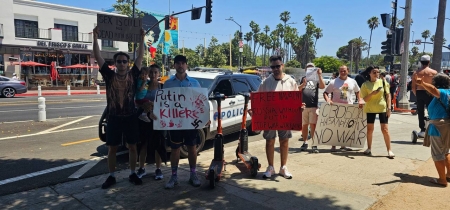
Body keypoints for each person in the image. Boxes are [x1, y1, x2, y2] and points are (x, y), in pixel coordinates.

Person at [93, 26, 145, 189]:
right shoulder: (109, 76)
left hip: (130, 117)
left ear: (128, 64)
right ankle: (111, 176)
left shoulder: (133, 74)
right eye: (119, 61)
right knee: (112, 148)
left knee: (132, 147)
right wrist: (95, 37)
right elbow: (97, 56)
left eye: (124, 61)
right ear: (114, 64)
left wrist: (142, 39)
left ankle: (132, 173)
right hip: (114, 117)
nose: (122, 64)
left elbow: (140, 57)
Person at [249, 55, 298, 179]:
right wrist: (251, 108)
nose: (275, 69)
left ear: (282, 65)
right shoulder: (266, 82)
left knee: (284, 141)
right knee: (270, 141)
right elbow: (257, 98)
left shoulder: (291, 81)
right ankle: (270, 167)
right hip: (269, 117)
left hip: (285, 117)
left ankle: (283, 167)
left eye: (277, 66)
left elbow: (296, 99)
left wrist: (300, 107)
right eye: (273, 67)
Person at [164, 55, 202, 189]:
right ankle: (174, 176)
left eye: (183, 63)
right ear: (174, 66)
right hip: (175, 122)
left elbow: (200, 103)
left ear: (186, 65)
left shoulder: (195, 83)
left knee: (192, 148)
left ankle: (193, 174)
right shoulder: (168, 84)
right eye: (178, 63)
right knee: (175, 149)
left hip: (190, 122)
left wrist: (205, 117)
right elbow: (163, 103)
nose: (180, 66)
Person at [415, 73, 450, 187]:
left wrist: (422, 83)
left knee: (437, 153)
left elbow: (435, 91)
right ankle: (448, 174)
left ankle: (442, 179)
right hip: (446, 125)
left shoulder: (443, 92)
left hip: (439, 126)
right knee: (445, 152)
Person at [323, 65, 364, 152]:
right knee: (334, 126)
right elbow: (325, 93)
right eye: (341, 71)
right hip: (336, 108)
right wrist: (328, 100)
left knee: (346, 127)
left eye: (344, 71)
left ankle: (343, 145)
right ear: (339, 71)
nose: (343, 72)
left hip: (349, 107)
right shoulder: (333, 82)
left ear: (348, 71)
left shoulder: (352, 81)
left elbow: (358, 91)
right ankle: (333, 146)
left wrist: (360, 100)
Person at [136, 64, 166, 180]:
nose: (153, 74)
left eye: (155, 72)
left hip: (157, 120)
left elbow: (166, 104)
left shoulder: (162, 88)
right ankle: (141, 168)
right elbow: (137, 100)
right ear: (148, 73)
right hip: (144, 120)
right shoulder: (143, 85)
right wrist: (144, 106)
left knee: (158, 145)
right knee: (143, 144)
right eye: (151, 72)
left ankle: (158, 169)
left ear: (159, 74)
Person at [360, 66, 395, 158]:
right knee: (370, 130)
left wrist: (389, 108)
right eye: (374, 72)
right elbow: (365, 99)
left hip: (382, 108)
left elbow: (388, 96)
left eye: (377, 72)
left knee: (385, 129)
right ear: (369, 73)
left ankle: (389, 150)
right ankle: (369, 148)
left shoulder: (383, 82)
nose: (376, 74)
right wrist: (372, 93)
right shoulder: (365, 85)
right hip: (370, 109)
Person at [298, 62, 325, 151]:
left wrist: (320, 75)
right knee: (304, 125)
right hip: (303, 106)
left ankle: (314, 144)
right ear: (305, 70)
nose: (309, 70)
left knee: (313, 125)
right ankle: (305, 142)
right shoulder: (303, 78)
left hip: (313, 106)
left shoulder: (316, 79)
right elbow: (298, 89)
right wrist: (303, 84)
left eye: (311, 68)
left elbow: (322, 86)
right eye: (308, 68)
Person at [411, 55, 438, 137]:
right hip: (431, 93)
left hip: (419, 92)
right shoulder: (434, 72)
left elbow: (413, 87)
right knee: (432, 111)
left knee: (420, 112)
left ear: (421, 62)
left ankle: (422, 130)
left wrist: (417, 94)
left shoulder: (416, 73)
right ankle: (432, 128)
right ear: (429, 62)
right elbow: (435, 85)